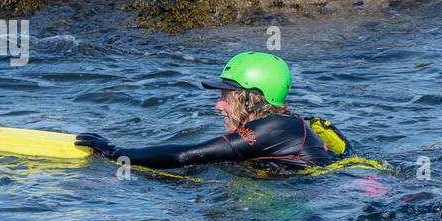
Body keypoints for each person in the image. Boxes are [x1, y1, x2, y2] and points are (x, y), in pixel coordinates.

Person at [74, 51, 350, 172]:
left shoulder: (273, 129)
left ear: (253, 98)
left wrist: (114, 152)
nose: (218, 105)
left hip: (342, 196)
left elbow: (185, 156)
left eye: (226, 96)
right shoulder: (284, 127)